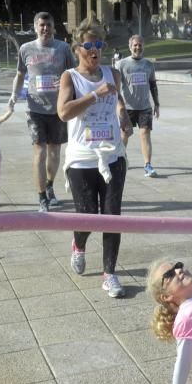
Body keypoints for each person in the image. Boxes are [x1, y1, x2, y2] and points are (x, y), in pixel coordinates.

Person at [57, 22, 133, 298]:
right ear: (77, 49)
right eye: (88, 45)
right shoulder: (69, 77)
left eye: (99, 45)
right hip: (81, 159)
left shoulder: (112, 73)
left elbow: (117, 100)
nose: (94, 50)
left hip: (112, 155)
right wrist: (93, 95)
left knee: (113, 217)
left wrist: (123, 115)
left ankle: (110, 274)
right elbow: (63, 113)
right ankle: (78, 244)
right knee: (87, 214)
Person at [10, 12, 77, 213]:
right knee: (39, 150)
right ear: (35, 27)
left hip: (58, 107)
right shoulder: (26, 49)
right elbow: (20, 74)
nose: (45, 28)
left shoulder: (63, 48)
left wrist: (65, 82)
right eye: (41, 25)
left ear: (54, 27)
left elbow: (73, 73)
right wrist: (13, 95)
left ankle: (49, 185)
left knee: (55, 151)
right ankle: (42, 197)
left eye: (49, 25)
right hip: (35, 108)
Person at [117, 35, 160, 178]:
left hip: (144, 107)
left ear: (143, 46)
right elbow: (116, 87)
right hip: (127, 107)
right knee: (124, 134)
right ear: (130, 46)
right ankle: (120, 160)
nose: (138, 47)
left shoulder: (148, 65)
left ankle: (147, 165)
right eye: (135, 45)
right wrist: (117, 106)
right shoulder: (121, 64)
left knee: (145, 134)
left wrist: (157, 104)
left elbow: (153, 84)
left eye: (140, 45)